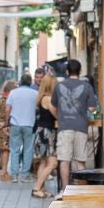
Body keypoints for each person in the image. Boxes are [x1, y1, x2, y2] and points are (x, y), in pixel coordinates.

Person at [51, 57, 101, 190]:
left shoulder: (59, 86)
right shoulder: (86, 86)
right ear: (80, 71)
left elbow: (54, 106)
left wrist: (60, 117)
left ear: (67, 71)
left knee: (64, 160)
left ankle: (64, 190)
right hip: (81, 127)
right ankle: (81, 191)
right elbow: (92, 109)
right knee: (80, 161)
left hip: (64, 127)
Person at [30, 67, 61, 199]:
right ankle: (36, 188)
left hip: (42, 132)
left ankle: (41, 189)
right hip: (47, 134)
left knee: (43, 163)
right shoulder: (48, 99)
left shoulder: (42, 97)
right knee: (53, 163)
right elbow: (57, 115)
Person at [5, 74, 39, 183]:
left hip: (15, 124)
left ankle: (14, 175)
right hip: (29, 124)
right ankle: (25, 174)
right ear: (30, 82)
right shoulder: (35, 93)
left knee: (14, 149)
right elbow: (38, 108)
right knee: (28, 150)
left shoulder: (13, 92)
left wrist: (6, 122)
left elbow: (7, 109)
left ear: (20, 81)